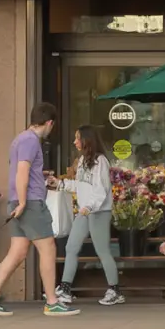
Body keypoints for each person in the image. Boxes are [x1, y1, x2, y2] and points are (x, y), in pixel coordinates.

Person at [0, 103, 75, 316]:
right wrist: (24, 202)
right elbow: (22, 172)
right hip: (30, 203)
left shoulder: (20, 139)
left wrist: (38, 177)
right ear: (50, 123)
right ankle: (52, 302)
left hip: (21, 201)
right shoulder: (31, 141)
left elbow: (22, 170)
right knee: (48, 247)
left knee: (18, 251)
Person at [58, 125, 122, 306]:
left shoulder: (100, 161)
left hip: (98, 211)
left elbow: (101, 189)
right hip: (85, 211)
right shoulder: (82, 161)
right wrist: (60, 184)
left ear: (87, 140)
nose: (75, 142)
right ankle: (65, 288)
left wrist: (89, 206)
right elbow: (79, 186)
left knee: (102, 250)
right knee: (71, 247)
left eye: (78, 138)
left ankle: (115, 289)